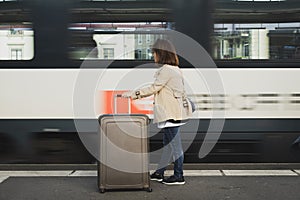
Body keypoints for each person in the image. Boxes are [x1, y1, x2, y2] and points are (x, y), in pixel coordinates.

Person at [122, 39, 193, 185]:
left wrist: (133, 94)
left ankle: (179, 176)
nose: (153, 56)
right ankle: (159, 173)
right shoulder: (176, 69)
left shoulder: (167, 69)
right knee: (168, 145)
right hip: (173, 111)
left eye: (154, 53)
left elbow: (155, 88)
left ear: (161, 53)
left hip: (170, 113)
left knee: (175, 146)